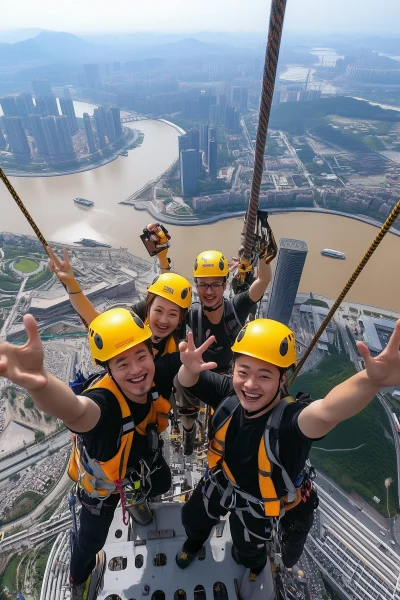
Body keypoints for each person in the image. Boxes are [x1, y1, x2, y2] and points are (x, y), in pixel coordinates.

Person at [174, 318, 400, 581]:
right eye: (243, 372)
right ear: (233, 369)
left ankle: (250, 564)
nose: (250, 385)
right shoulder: (229, 395)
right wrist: (188, 368)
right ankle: (192, 544)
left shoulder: (290, 423)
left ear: (282, 379)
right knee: (193, 518)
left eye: (264, 376)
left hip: (257, 504)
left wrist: (371, 381)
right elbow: (188, 381)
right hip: (223, 480)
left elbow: (328, 411)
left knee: (248, 547)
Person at [0, 307, 187, 600]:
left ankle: (137, 498)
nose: (137, 369)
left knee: (161, 482)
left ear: (152, 355)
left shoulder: (152, 379)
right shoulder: (106, 405)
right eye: (122, 363)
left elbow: (179, 364)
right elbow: (76, 411)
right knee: (90, 543)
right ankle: (79, 578)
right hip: (103, 490)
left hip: (139, 469)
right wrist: (42, 385)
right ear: (108, 369)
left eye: (141, 357)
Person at [174, 249, 274, 454]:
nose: (209, 291)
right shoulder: (192, 313)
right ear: (196, 285)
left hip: (230, 375)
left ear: (224, 285)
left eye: (215, 284)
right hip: (202, 373)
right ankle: (188, 428)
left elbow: (263, 281)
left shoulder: (236, 307)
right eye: (203, 284)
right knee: (179, 380)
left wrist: (264, 255)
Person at [47, 246, 192, 359]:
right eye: (158, 311)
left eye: (172, 314)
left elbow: (165, 296)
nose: (163, 320)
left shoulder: (179, 346)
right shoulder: (137, 319)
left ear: (180, 319)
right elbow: (94, 318)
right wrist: (72, 285)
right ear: (148, 308)